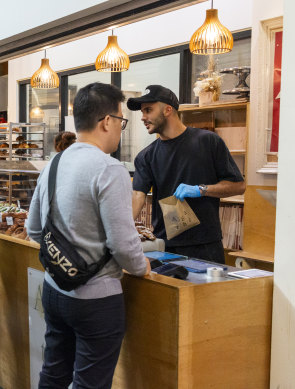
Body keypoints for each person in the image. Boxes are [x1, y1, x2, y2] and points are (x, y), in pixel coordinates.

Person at [26, 82, 150, 389]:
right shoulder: (110, 170)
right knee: (89, 384)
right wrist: (141, 267)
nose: (121, 129)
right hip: (97, 300)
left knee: (53, 374)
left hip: (55, 288)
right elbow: (122, 243)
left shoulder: (54, 163)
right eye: (121, 121)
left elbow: (33, 229)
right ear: (107, 121)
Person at [129, 85, 246, 263]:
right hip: (164, 246)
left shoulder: (208, 142)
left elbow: (238, 186)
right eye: (142, 112)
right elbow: (138, 194)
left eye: (148, 110)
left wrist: (202, 189)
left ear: (168, 110)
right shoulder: (146, 156)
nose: (143, 117)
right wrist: (121, 231)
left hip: (205, 245)